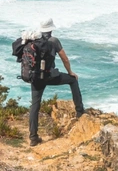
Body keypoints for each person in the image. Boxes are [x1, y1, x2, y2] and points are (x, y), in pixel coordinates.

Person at [29, 18, 84, 147]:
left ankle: (33, 138)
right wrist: (70, 72)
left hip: (36, 78)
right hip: (49, 76)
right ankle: (80, 111)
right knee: (73, 81)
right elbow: (64, 58)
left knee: (35, 106)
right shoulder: (54, 41)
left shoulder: (33, 40)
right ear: (51, 29)